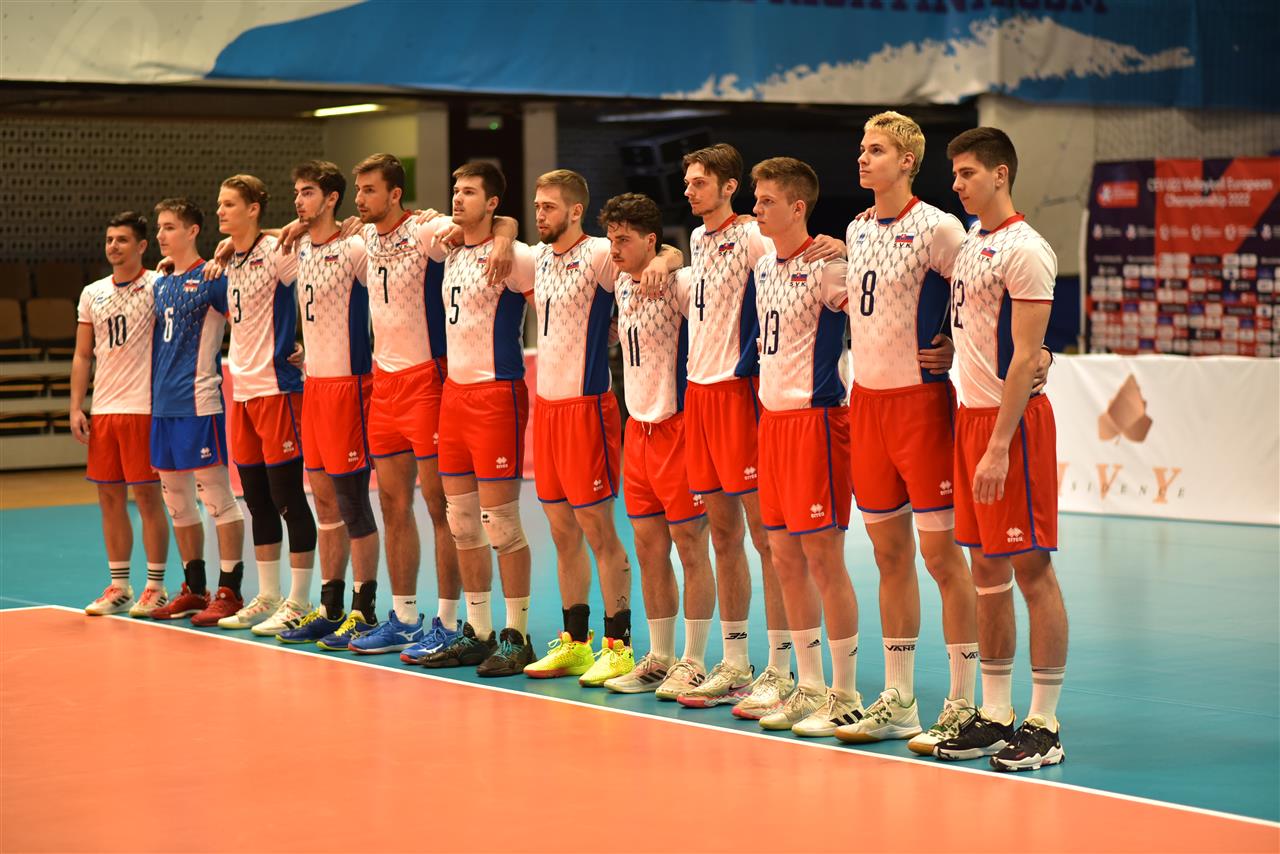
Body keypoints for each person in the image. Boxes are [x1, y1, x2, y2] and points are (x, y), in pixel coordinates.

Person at [672, 144, 843, 716]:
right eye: (687, 182)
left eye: (700, 182)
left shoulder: (752, 236)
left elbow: (804, 257)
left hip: (741, 396)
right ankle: (736, 661)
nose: (690, 191)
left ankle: (781, 665)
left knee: (769, 540)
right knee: (722, 535)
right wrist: (665, 256)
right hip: (699, 392)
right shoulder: (697, 239)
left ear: (729, 187)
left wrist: (843, 247)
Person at [830, 111, 979, 752]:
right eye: (862, 149)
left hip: (921, 408)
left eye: (877, 150)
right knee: (889, 557)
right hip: (867, 406)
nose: (863, 159)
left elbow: (982, 294)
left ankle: (964, 703)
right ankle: (899, 700)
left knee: (941, 559)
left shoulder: (939, 227)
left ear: (908, 161)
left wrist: (957, 348)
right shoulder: (857, 227)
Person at [933, 127, 1068, 772]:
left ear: (1001, 174)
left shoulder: (1027, 249)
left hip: (1009, 428)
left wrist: (999, 445)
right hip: (969, 418)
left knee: (1032, 570)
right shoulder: (972, 243)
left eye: (967, 173)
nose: (957, 184)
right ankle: (994, 712)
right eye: (955, 174)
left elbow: (1025, 355)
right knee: (985, 572)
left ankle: (1045, 722)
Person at [521, 169, 681, 681]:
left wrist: (668, 258)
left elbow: (655, 259)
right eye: (536, 205)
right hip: (546, 409)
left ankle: (620, 644)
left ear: (575, 211)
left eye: (548, 206)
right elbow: (493, 230)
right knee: (560, 530)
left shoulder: (599, 253)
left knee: (597, 531)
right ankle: (576, 642)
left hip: (587, 408)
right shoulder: (537, 257)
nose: (539, 213)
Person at [746, 157, 864, 736]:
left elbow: (882, 304)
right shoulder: (764, 266)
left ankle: (845, 694)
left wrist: (851, 253)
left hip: (817, 423)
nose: (756, 209)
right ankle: (810, 686)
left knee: (823, 559)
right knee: (783, 557)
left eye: (767, 200)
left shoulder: (829, 266)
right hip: (772, 424)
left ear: (798, 207)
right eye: (756, 199)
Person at [412, 161, 538, 676]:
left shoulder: (517, 256)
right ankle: (479, 632)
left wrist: (505, 233)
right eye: (455, 190)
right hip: (453, 396)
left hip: (496, 395)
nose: (458, 199)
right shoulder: (447, 244)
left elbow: (553, 307)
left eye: (469, 192)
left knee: (500, 524)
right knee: (461, 522)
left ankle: (517, 637)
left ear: (492, 203)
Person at [594, 192, 716, 695]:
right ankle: (660, 658)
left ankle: (695, 660)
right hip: (637, 431)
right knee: (648, 548)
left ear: (649, 240)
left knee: (690, 546)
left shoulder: (680, 282)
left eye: (623, 239)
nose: (614, 249)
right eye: (611, 239)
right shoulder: (621, 279)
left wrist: (670, 258)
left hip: (678, 427)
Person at [271, 160, 384, 650]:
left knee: (353, 503)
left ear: (332, 199)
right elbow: (262, 241)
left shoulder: (356, 246)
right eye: (297, 192)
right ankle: (331, 606)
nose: (299, 200)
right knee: (324, 504)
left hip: (350, 387)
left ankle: (365, 609)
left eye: (309, 192)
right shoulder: (299, 248)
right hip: (314, 386)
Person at [213, 174, 318, 635]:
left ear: (254, 208)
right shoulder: (227, 258)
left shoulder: (278, 251)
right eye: (219, 204)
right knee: (256, 499)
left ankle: (299, 600)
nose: (220, 211)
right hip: (242, 391)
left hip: (277, 389)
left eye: (229, 204)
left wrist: (306, 346)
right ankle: (269, 595)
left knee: (287, 497)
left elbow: (319, 263)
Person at [145, 198, 248, 624]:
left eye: (169, 227)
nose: (160, 235)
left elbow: (247, 322)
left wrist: (290, 347)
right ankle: (195, 588)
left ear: (192, 231)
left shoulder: (213, 278)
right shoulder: (161, 281)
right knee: (177, 502)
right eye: (159, 227)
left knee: (218, 499)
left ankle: (230, 590)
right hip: (163, 407)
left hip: (199, 402)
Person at [73, 212, 170, 617]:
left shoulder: (159, 285)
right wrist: (76, 405)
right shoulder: (92, 292)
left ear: (142, 246)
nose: (113, 246)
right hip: (105, 409)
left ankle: (156, 587)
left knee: (147, 497)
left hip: (143, 408)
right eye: (109, 239)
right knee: (109, 497)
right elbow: (82, 355)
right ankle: (119, 586)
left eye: (122, 240)